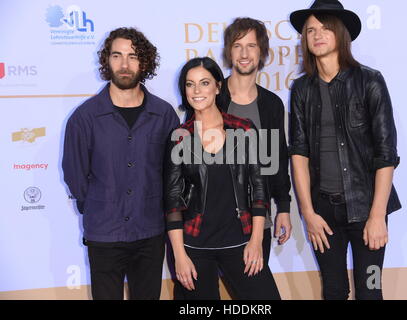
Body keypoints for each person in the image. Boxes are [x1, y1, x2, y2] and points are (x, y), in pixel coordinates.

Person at [288, 0, 401, 300]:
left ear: (341, 34)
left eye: (325, 28)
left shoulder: (370, 81)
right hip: (323, 214)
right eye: (310, 30)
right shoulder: (301, 89)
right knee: (334, 291)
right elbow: (298, 153)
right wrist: (307, 212)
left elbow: (386, 152)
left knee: (371, 290)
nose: (317, 34)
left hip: (367, 209)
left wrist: (377, 215)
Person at [62, 27, 180, 300]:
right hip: (104, 234)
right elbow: (75, 175)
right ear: (107, 61)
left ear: (145, 62)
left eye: (133, 56)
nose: (125, 64)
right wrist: (96, 207)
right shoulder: (84, 118)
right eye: (117, 56)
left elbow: (174, 174)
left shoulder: (164, 115)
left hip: (150, 232)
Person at [164, 57, 281, 300]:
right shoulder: (179, 137)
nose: (197, 91)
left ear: (218, 87)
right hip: (194, 248)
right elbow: (173, 203)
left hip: (241, 242)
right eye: (190, 84)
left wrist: (256, 240)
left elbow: (259, 190)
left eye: (204, 83)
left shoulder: (243, 129)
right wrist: (179, 256)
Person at [219, 17, 292, 264]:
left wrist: (283, 207)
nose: (244, 53)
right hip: (215, 220)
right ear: (229, 51)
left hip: (259, 220)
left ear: (261, 52)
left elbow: (278, 160)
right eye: (237, 45)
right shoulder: (213, 98)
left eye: (251, 46)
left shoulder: (271, 104)